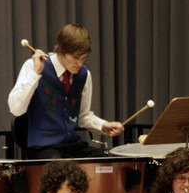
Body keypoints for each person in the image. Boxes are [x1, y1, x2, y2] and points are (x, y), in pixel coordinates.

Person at [8, 23, 123, 159]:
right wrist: (36, 73)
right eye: (75, 58)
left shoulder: (84, 75)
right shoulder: (33, 67)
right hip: (43, 147)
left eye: (83, 58)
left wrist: (103, 125)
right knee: (60, 170)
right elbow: (15, 109)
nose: (79, 64)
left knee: (108, 163)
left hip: (72, 146)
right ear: (61, 50)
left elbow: (82, 116)